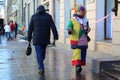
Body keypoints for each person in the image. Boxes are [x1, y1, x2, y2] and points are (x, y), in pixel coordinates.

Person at [28, 5, 58, 74]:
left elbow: (30, 29)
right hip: (45, 38)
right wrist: (55, 36)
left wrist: (29, 39)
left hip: (37, 39)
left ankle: (41, 67)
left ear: (37, 10)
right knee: (43, 53)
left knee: (39, 53)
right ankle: (41, 64)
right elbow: (53, 27)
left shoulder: (34, 17)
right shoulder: (48, 16)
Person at [67, 5, 91, 74]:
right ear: (76, 11)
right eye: (80, 11)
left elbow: (88, 28)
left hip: (84, 40)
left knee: (83, 53)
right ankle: (78, 66)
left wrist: (88, 29)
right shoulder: (73, 19)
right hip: (76, 40)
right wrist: (70, 30)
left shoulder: (85, 20)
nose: (81, 12)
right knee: (77, 52)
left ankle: (80, 64)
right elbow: (69, 27)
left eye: (83, 11)